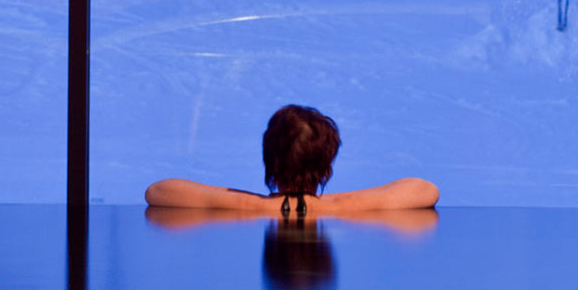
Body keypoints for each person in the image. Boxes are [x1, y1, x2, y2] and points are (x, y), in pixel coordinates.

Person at [144, 104, 440, 215]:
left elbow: (158, 191)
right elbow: (424, 189)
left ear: (268, 158)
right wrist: (338, 203)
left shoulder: (251, 208)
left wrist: (256, 203)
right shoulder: (342, 208)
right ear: (327, 164)